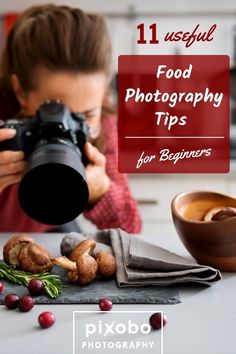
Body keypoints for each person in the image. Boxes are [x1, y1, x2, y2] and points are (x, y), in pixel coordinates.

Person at [0, 4, 142, 233]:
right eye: (54, 110)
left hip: (49, 227)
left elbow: (131, 227)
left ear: (102, 94)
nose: (68, 124)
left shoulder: (101, 118)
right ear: (20, 92)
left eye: (85, 115)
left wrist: (101, 190)